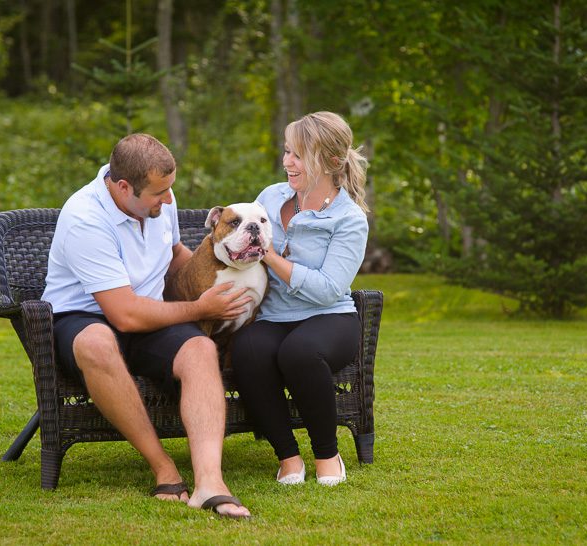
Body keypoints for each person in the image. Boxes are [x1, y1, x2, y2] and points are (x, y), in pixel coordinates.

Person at [41, 134, 251, 518]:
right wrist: (199, 307)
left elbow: (175, 257)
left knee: (200, 349)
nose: (169, 200)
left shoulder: (157, 201)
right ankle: (163, 467)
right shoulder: (85, 219)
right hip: (86, 317)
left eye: (170, 189)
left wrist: (218, 278)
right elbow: (124, 315)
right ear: (123, 187)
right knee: (98, 343)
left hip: (149, 314)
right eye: (159, 193)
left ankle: (210, 482)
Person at [231, 111, 369, 486]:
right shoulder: (270, 197)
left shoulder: (349, 219)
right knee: (249, 349)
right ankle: (288, 457)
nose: (286, 162)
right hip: (275, 315)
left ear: (331, 162)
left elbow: (328, 288)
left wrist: (271, 256)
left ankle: (327, 454)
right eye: (286, 151)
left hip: (330, 317)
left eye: (297, 155)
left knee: (300, 352)